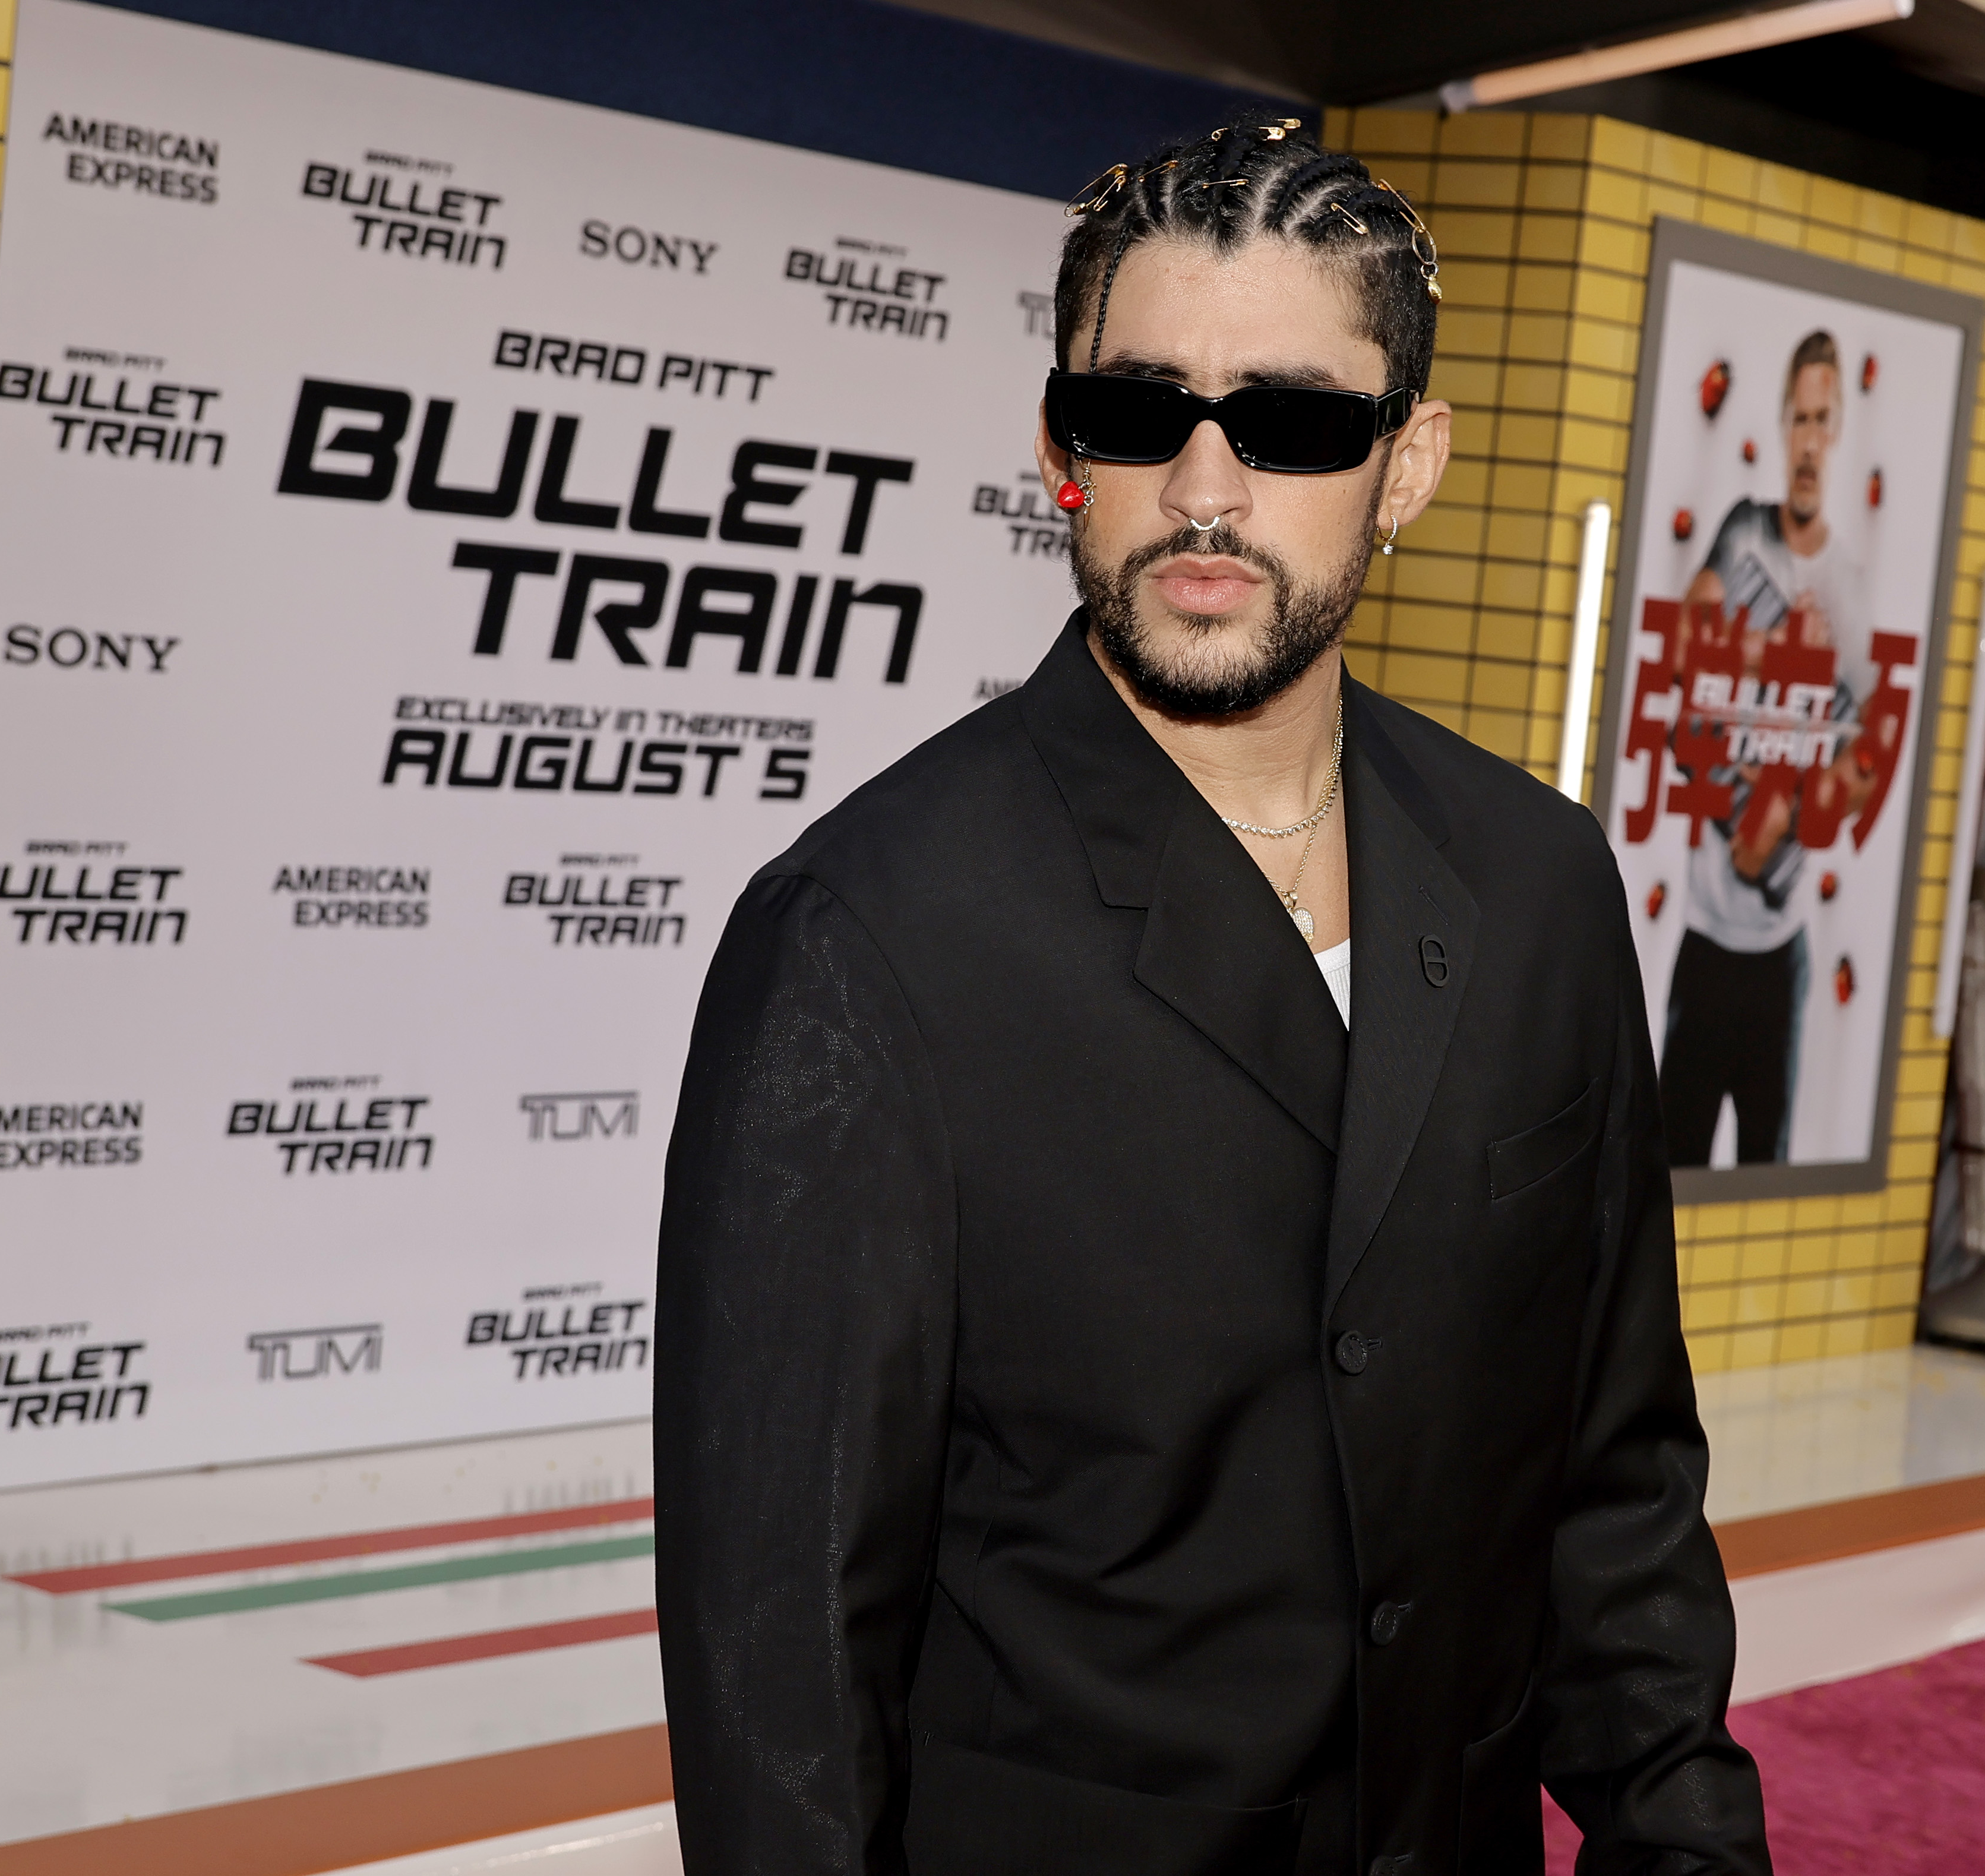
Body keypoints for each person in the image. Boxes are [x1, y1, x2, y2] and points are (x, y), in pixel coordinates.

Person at [656, 116, 1768, 1876]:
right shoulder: (865, 939)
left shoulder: (1541, 883)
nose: (1204, 486)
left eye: (1294, 420)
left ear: (1407, 465)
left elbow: (1613, 1487)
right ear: (1055, 451)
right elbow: (775, 1650)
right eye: (1135, 409)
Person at [1659, 330, 1880, 1167]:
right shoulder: (1744, 530)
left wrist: (1805, 799)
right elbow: (1687, 643)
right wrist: (1780, 650)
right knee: (1661, 1183)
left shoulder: (1851, 589)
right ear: (1782, 424)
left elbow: (1863, 756)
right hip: (1701, 938)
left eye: (1824, 419)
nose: (1809, 439)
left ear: (1839, 431)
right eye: (1798, 417)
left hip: (1778, 956)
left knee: (1760, 1183)